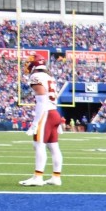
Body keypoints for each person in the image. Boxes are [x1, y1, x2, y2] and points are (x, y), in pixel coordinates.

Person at [19, 56, 65, 187]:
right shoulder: (50, 77)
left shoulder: (37, 77)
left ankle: (38, 177)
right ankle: (56, 177)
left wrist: (35, 123)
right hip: (54, 112)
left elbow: (41, 101)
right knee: (53, 147)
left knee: (38, 145)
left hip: (46, 114)